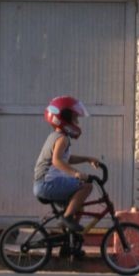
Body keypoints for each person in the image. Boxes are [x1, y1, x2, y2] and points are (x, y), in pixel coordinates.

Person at [34, 95, 100, 233]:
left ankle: (68, 239)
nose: (77, 121)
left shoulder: (56, 136)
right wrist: (76, 174)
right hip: (47, 183)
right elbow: (57, 160)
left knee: (78, 206)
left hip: (44, 183)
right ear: (65, 118)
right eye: (74, 117)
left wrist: (88, 159)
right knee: (86, 187)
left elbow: (66, 158)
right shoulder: (62, 139)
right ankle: (67, 218)